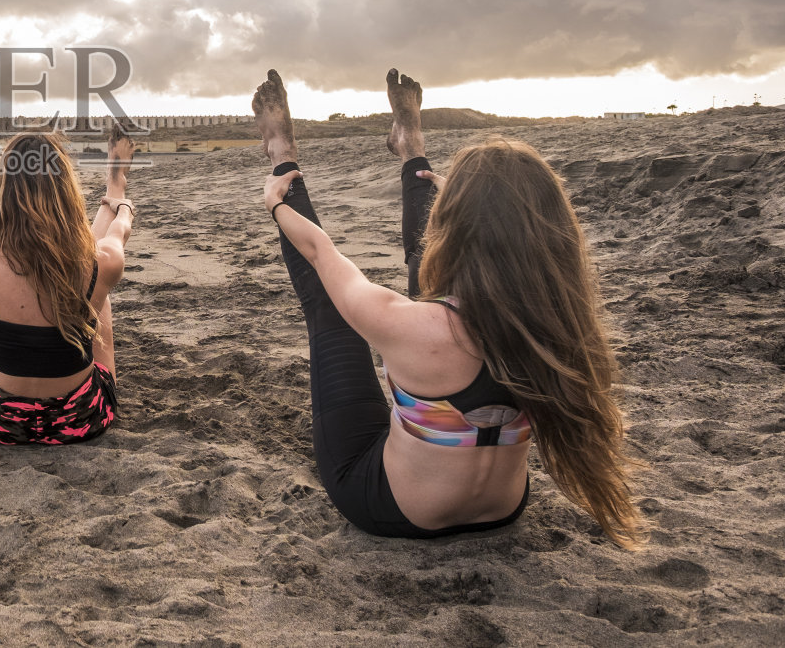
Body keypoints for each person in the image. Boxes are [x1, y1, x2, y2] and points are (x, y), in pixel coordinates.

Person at [255, 67, 643, 545]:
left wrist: (278, 201)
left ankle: (283, 155)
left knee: (334, 316)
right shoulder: (564, 328)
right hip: (502, 510)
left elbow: (320, 253)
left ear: (451, 219)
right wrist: (455, 205)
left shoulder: (408, 324)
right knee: (432, 280)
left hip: (392, 508)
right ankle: (410, 144)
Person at [0, 117, 136, 445]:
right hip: (83, 418)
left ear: (3, 190)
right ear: (65, 190)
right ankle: (115, 182)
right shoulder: (106, 261)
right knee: (96, 286)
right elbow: (117, 233)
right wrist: (121, 205)